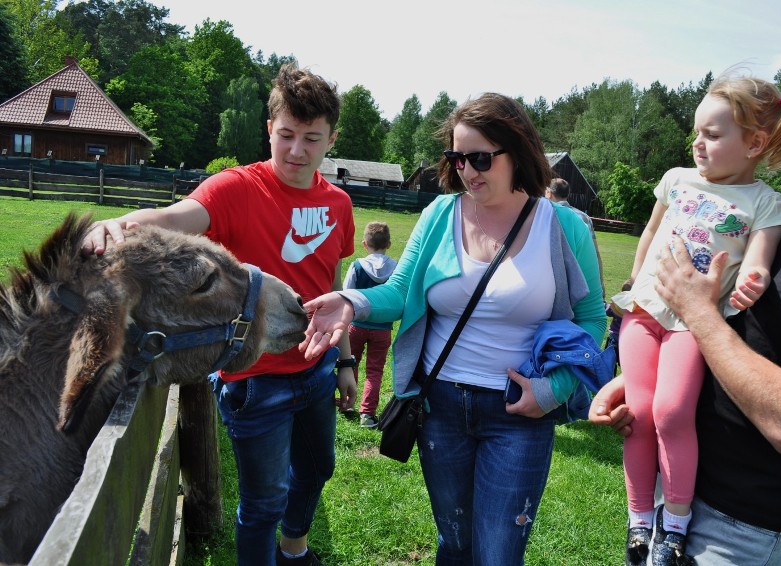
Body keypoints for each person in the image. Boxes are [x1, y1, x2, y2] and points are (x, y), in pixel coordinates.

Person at [300, 92, 607, 565]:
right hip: (440, 406)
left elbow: (589, 320)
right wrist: (351, 299)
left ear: (517, 151)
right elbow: (401, 291)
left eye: (481, 157)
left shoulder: (564, 226)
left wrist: (554, 390)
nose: (467, 170)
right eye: (458, 157)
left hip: (520, 412)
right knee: (455, 544)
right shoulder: (439, 214)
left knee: (499, 554)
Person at [82, 63, 358, 566]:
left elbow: (333, 285)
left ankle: (294, 552)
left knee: (316, 471)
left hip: (316, 368)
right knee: (263, 501)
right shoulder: (235, 188)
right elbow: (173, 217)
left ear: (331, 139)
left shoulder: (338, 203)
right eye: (287, 135)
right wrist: (119, 220)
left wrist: (343, 362)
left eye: (312, 139)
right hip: (255, 380)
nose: (297, 151)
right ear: (269, 129)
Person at [591, 58, 781, 566]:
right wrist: (639, 384)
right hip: (673, 487)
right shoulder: (774, 212)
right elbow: (739, 340)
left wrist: (697, 310)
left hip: (742, 528)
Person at [610, 74, 781, 566]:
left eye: (712, 135)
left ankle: (674, 524)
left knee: (671, 412)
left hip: (696, 322)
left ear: (755, 143)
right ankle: (638, 521)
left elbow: (759, 257)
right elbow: (649, 231)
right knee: (640, 413)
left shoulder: (767, 203)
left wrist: (753, 279)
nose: (697, 142)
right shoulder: (675, 180)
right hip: (645, 312)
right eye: (696, 132)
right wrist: (635, 283)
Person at [342, 221, 398, 428]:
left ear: (364, 244)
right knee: (375, 371)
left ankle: (347, 404)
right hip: (382, 328)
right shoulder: (397, 268)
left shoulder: (357, 266)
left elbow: (347, 293)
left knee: (351, 364)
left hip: (356, 325)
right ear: (389, 244)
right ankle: (368, 414)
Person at [546, 177, 605, 295]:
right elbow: (595, 253)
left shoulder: (545, 216)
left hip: (552, 282)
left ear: (549, 193)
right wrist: (600, 283)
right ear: (567, 194)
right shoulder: (584, 217)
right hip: (580, 281)